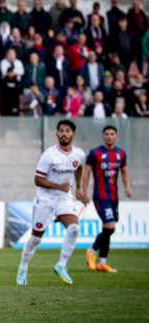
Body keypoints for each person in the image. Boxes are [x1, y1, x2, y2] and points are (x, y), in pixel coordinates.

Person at [16, 120, 85, 286]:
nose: (64, 133)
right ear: (57, 134)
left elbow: (79, 167)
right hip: (45, 200)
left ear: (73, 135)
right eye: (61, 131)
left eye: (67, 131)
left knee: (74, 229)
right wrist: (57, 186)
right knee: (35, 239)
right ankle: (23, 267)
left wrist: (79, 187)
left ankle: (61, 265)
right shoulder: (49, 155)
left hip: (64, 199)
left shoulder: (79, 154)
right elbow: (37, 180)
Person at [82, 126, 131, 273]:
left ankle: (102, 262)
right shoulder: (95, 153)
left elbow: (124, 171)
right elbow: (87, 173)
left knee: (107, 229)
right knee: (110, 227)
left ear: (116, 136)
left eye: (112, 134)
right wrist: (83, 193)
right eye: (107, 134)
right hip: (100, 197)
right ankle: (91, 250)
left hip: (114, 197)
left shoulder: (121, 153)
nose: (109, 136)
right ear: (103, 136)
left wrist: (127, 187)